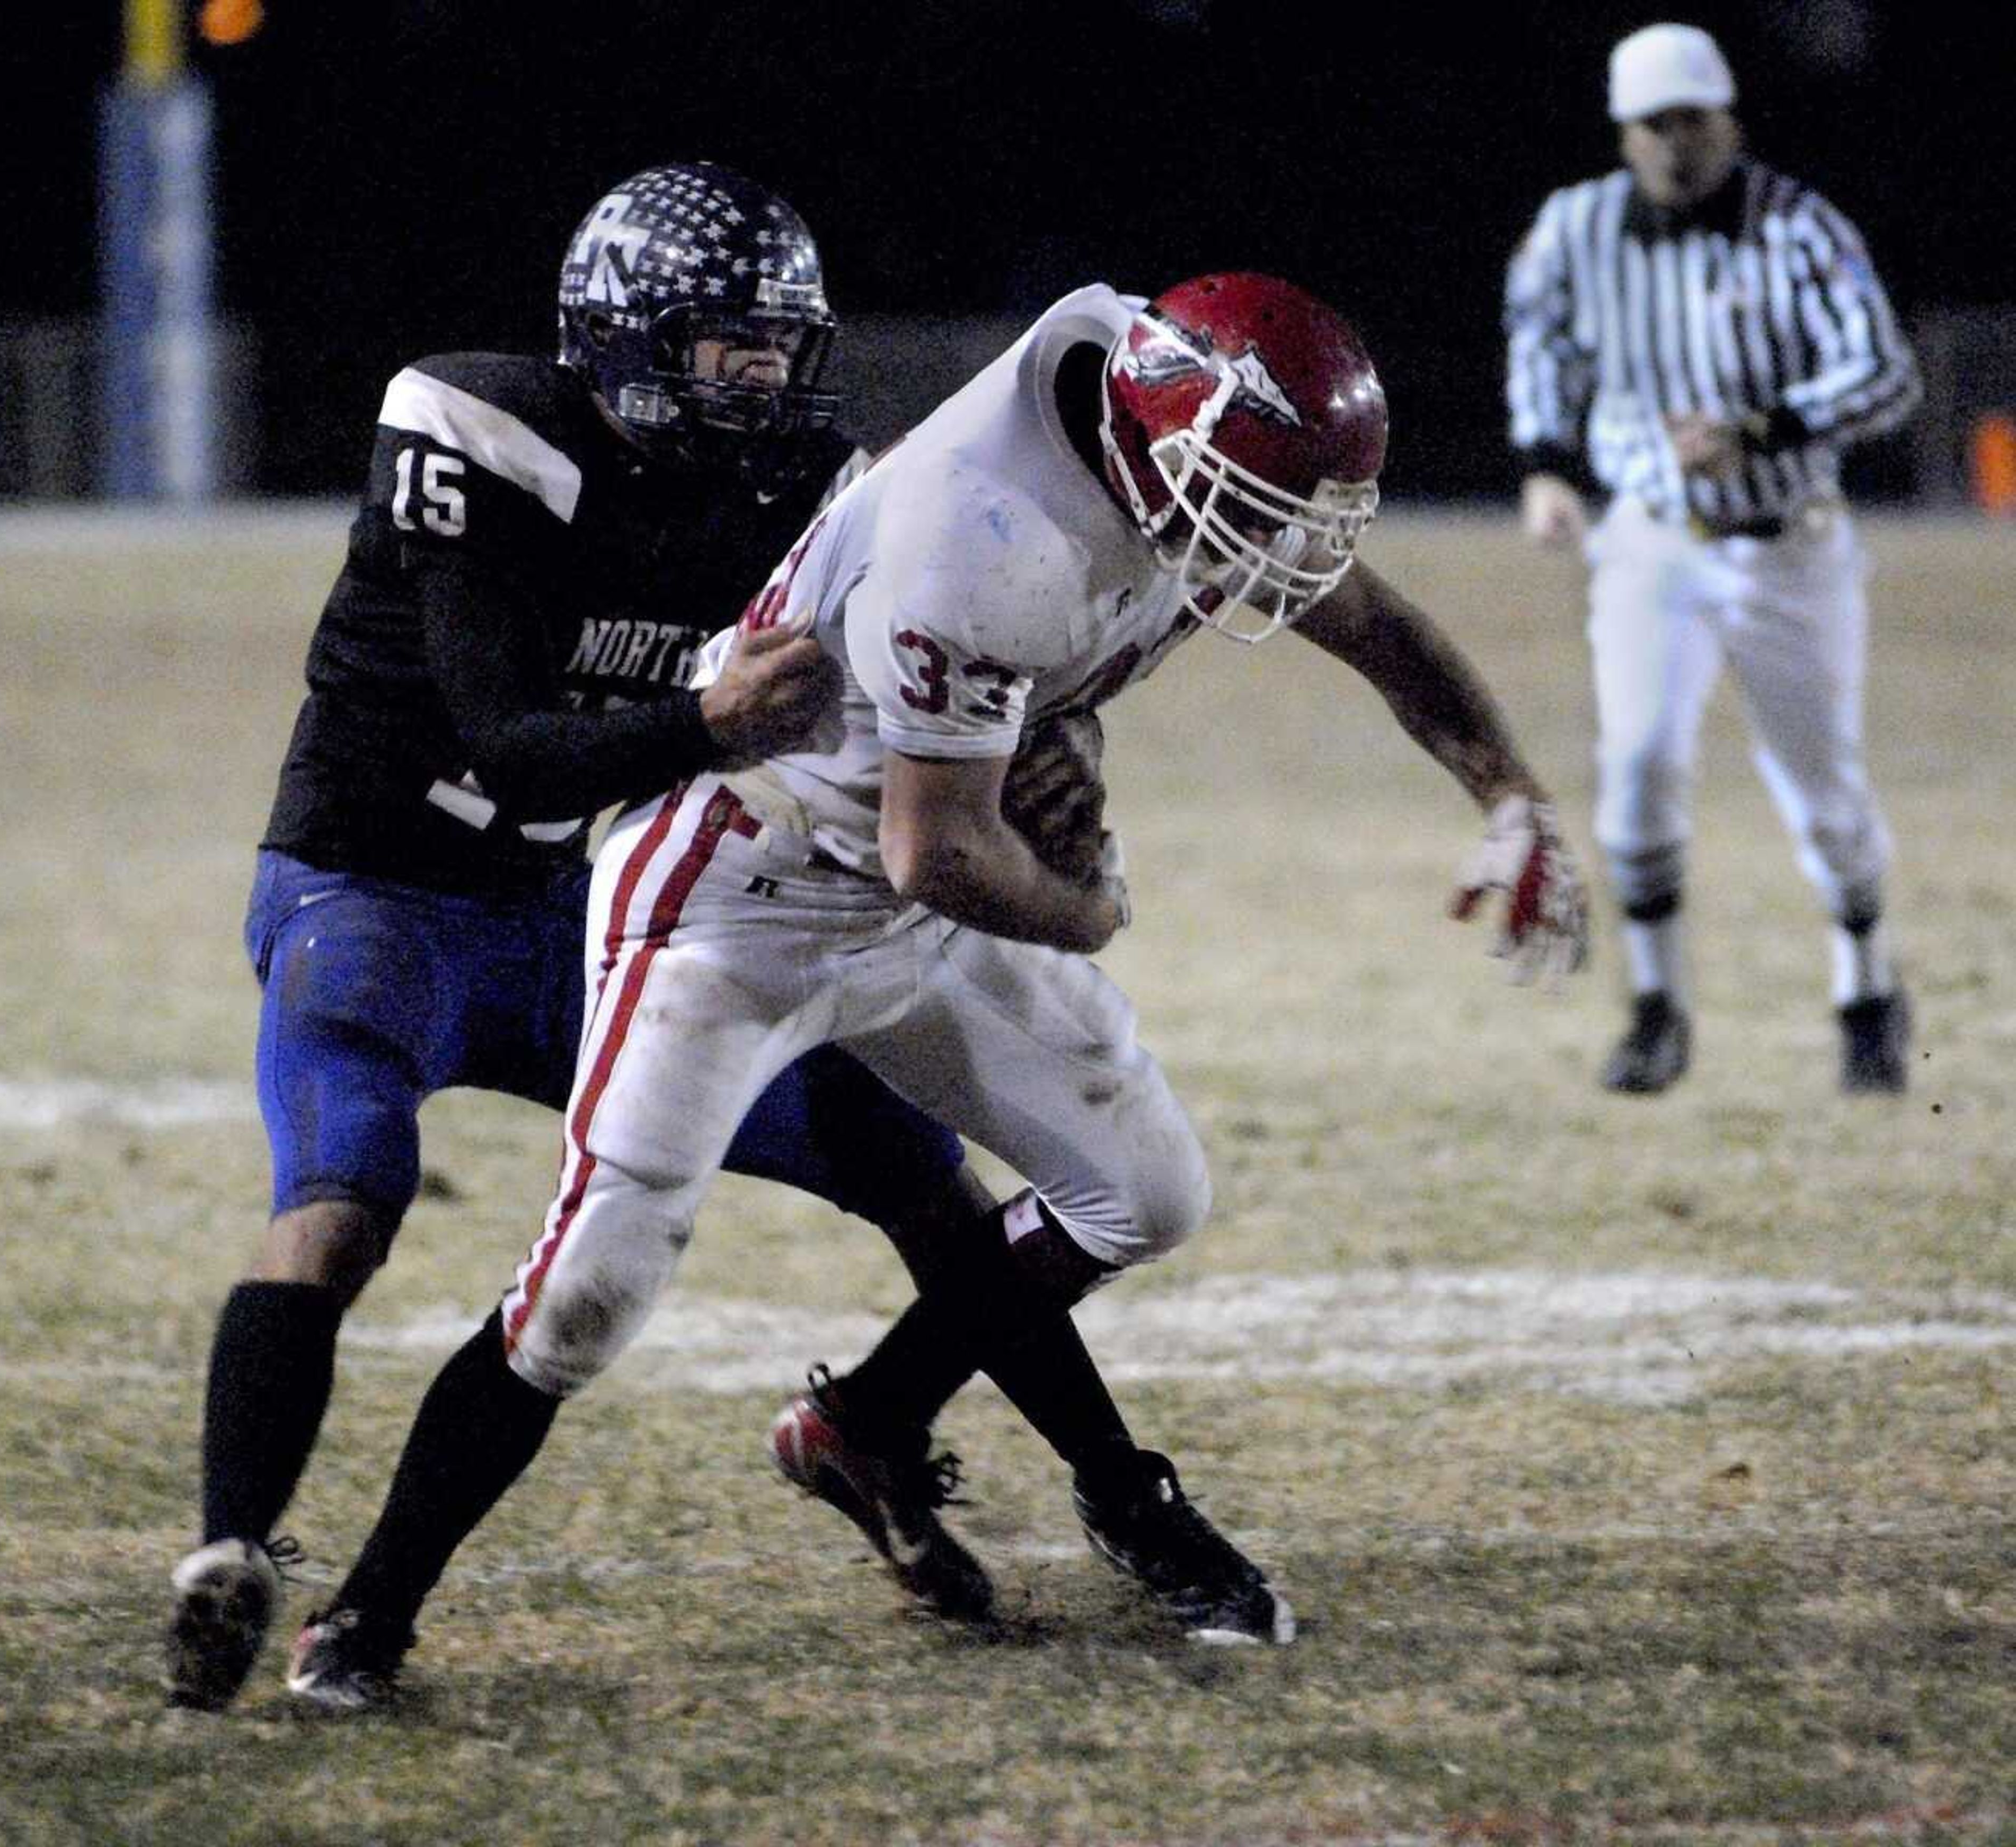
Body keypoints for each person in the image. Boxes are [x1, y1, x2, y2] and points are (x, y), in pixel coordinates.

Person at [279, 269, 1593, 1706]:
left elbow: (1381, 628)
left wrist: (1512, 794)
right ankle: (366, 1612)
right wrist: (1086, 906)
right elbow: (940, 849)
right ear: (1166, 455)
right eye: (1259, 506)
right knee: (588, 1290)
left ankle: (871, 1422)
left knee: (1145, 1190)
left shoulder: (1157, 415)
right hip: (744, 881)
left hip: (912, 874)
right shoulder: (985, 535)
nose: (1280, 551)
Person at [163, 163, 1165, 1710]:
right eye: (725, 344)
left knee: (908, 1157)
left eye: (780, 343)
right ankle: (230, 1553)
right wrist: (703, 718)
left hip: (576, 907)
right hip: (377, 893)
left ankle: (1084, 1483)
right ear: (625, 335)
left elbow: (941, 663)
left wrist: (1044, 743)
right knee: (344, 1194)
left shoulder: (804, 492)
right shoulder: (478, 427)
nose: (763, 376)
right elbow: (503, 737)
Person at [1506, 22, 1922, 1096]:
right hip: (1651, 536)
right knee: (1636, 769)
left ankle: (1866, 987)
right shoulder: (1577, 227)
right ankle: (1657, 1007)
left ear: (1729, 118)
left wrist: (1766, 427)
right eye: (1655, 123)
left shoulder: (1798, 228)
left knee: (1823, 796)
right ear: (1624, 132)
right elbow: (1541, 344)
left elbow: (1887, 373)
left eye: (1694, 118)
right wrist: (1550, 466)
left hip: (1790, 544)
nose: (1677, 142)